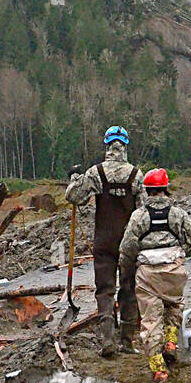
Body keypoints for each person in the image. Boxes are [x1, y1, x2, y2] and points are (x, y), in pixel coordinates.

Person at [118, 168, 191, 383]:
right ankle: (171, 343)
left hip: (147, 275)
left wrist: (125, 274)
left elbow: (127, 249)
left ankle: (158, 369)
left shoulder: (138, 216)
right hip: (174, 270)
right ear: (166, 188)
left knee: (151, 320)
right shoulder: (178, 214)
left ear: (147, 191)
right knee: (174, 305)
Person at [65, 126, 145, 357]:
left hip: (104, 241)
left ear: (107, 145)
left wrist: (74, 178)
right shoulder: (136, 175)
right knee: (129, 289)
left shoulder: (95, 173)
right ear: (125, 146)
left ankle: (107, 340)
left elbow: (74, 197)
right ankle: (128, 342)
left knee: (105, 290)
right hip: (129, 242)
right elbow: (143, 212)